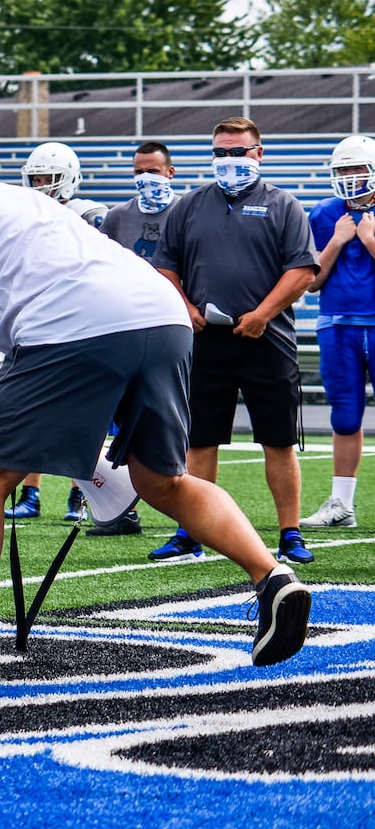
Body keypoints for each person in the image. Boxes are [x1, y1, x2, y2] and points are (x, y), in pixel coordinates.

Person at [0, 113, 312, 694]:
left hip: (74, 324)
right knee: (161, 479)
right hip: (161, 315)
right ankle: (271, 577)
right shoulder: (6, 201)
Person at [149, 117, 319, 565]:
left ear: (258, 154)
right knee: (200, 439)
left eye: (238, 152)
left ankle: (290, 533)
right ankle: (191, 532)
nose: (229, 160)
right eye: (221, 152)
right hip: (207, 338)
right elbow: (165, 266)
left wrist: (263, 315)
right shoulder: (189, 206)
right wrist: (184, 306)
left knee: (278, 440)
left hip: (268, 337)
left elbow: (302, 270)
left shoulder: (284, 205)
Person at [5, 142, 110, 524]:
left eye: (48, 178)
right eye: (36, 178)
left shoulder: (91, 215)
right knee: (36, 416)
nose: (41, 185)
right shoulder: (25, 214)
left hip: (83, 322)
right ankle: (30, 494)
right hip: (41, 320)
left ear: (68, 178)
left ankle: (81, 495)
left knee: (85, 419)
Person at [85, 140, 183, 537]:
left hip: (172, 324)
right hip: (122, 326)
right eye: (139, 171)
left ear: (170, 172)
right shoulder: (117, 216)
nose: (146, 179)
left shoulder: (186, 211)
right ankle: (119, 505)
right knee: (113, 417)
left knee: (167, 421)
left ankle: (184, 514)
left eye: (154, 171)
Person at [300, 134, 375, 529]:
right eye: (343, 169)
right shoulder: (325, 213)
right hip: (337, 323)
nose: (349, 177)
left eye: (356, 168)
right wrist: (337, 241)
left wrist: (369, 240)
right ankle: (341, 505)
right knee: (345, 416)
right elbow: (312, 282)